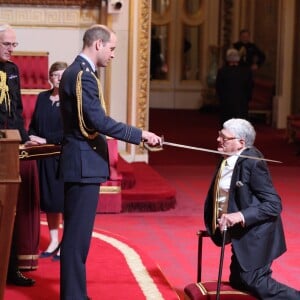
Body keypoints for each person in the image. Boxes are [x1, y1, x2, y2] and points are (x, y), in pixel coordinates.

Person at [58, 24, 162, 299]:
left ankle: (75, 294)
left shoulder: (80, 73)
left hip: (80, 162)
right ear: (98, 45)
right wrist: (140, 135)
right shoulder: (82, 76)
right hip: (82, 164)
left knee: (77, 238)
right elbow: (97, 122)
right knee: (77, 240)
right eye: (112, 48)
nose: (113, 54)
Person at [204, 118, 300, 299]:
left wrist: (239, 215)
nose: (218, 140)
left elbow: (274, 204)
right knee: (238, 281)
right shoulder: (227, 157)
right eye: (219, 135)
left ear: (241, 143)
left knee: (257, 282)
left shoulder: (252, 162)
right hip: (241, 234)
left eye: (224, 138)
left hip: (258, 234)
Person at [0, 23, 35, 286]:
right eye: (7, 44)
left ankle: (10, 270)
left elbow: (17, 108)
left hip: (9, 148)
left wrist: (22, 138)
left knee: (9, 210)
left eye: (14, 44)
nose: (12, 50)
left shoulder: (12, 70)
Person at [28, 61, 68, 261]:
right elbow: (34, 123)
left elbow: (69, 132)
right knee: (50, 202)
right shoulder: (42, 97)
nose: (59, 78)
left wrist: (47, 139)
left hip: (61, 157)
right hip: (42, 157)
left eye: (63, 74)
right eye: (55, 74)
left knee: (62, 201)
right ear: (50, 77)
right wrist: (31, 137)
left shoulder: (71, 101)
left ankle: (65, 244)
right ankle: (53, 240)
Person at [216, 48, 253, 125]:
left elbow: (219, 87)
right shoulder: (246, 72)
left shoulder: (222, 71)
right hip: (241, 103)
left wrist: (221, 99)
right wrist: (247, 98)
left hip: (226, 103)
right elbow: (250, 87)